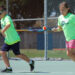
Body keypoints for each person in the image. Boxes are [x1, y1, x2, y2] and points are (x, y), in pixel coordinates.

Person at [0, 6, 34, 72]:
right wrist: (4, 34)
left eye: (0, 13)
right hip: (8, 41)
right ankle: (8, 68)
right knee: (2, 52)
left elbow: (8, 25)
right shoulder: (1, 20)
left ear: (4, 12)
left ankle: (30, 62)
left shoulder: (7, 17)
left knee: (18, 54)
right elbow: (4, 31)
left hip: (14, 40)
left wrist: (3, 30)